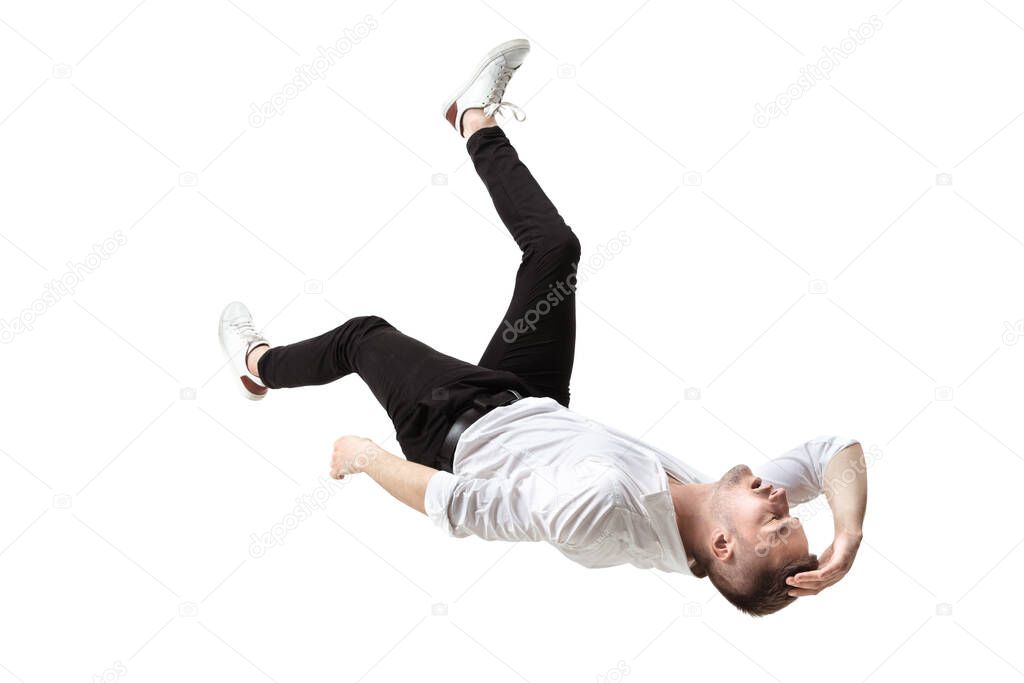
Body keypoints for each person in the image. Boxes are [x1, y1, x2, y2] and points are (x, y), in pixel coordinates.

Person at [217, 39, 867, 616]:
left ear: (724, 545)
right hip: (530, 401)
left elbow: (461, 507)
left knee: (363, 336)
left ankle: (258, 364)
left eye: (778, 523)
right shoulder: (709, 504)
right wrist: (846, 537)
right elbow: (830, 450)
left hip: (452, 424)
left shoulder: (603, 511)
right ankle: (472, 118)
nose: (784, 498)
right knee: (556, 251)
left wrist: (366, 458)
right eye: (793, 512)